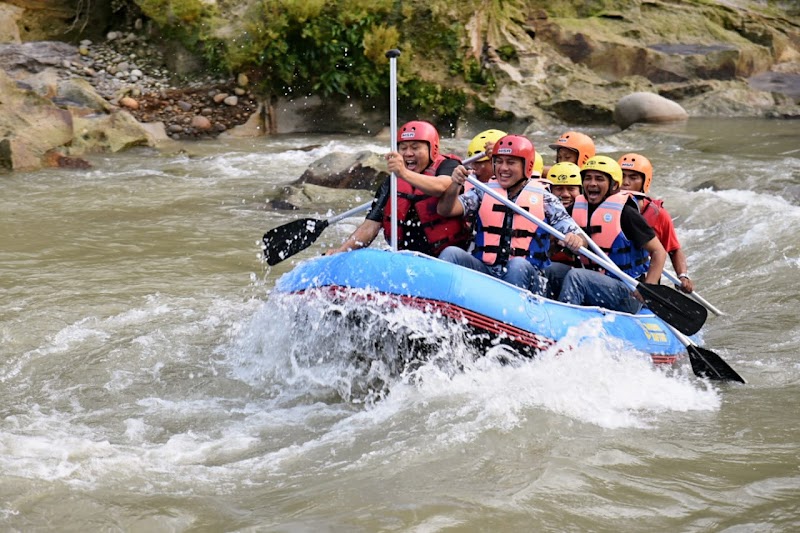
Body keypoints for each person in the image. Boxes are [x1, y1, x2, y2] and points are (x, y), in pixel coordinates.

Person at [436, 134, 586, 294]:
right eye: (499, 161)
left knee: (517, 265)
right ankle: (440, 304)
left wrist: (577, 240)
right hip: (486, 270)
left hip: (529, 278)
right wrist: (455, 184)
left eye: (511, 162)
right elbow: (446, 210)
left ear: (527, 166)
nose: (503, 168)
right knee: (451, 253)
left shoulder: (546, 199)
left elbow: (579, 237)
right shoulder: (483, 191)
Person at [327, 120, 470, 257]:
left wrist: (403, 173)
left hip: (446, 258)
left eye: (415, 147)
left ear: (433, 150)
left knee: (450, 253)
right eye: (403, 148)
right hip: (405, 257)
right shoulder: (393, 182)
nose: (407, 153)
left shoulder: (449, 166)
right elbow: (370, 226)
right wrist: (342, 251)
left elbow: (442, 186)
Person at [548, 155, 667, 314]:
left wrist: (647, 289)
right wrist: (556, 244)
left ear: (614, 185)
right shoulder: (577, 207)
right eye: (588, 178)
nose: (592, 183)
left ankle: (563, 320)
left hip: (627, 291)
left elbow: (659, 252)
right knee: (549, 270)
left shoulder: (626, 213)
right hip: (595, 281)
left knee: (577, 277)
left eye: (599, 179)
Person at [618, 153, 694, 293]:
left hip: (644, 280)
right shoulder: (605, 207)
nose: (625, 182)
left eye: (633, 177)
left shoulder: (658, 214)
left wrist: (683, 276)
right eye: (622, 176)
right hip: (613, 274)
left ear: (644, 182)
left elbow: (673, 249)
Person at [545, 162, 584, 268]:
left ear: (581, 191)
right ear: (549, 191)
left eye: (571, 189)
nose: (565, 194)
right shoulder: (540, 212)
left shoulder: (589, 213)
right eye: (559, 189)